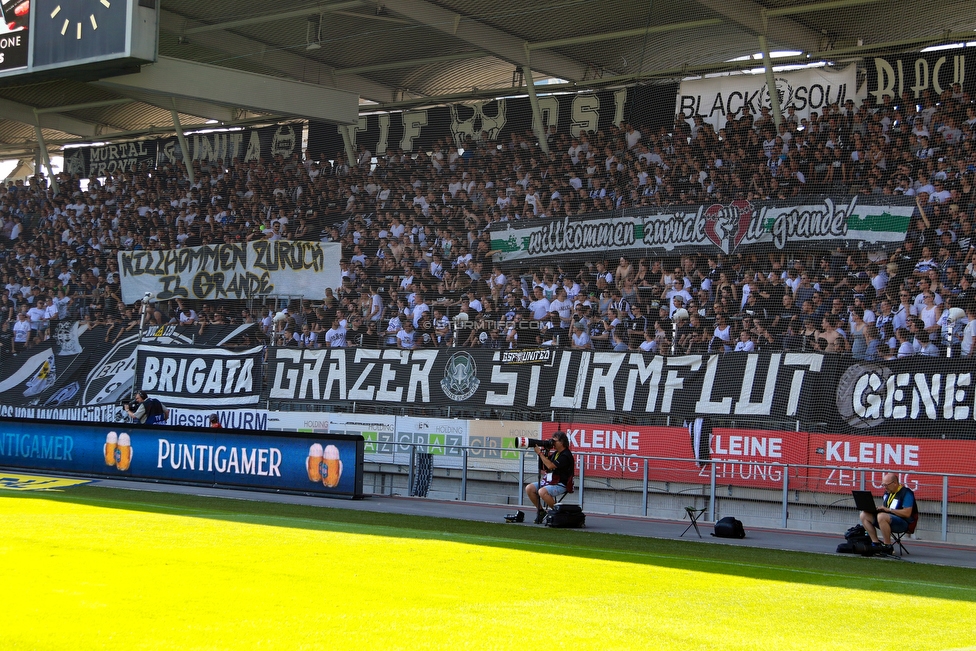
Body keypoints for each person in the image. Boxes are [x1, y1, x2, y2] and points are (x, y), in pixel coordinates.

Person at [858, 472, 917, 554]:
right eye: (883, 485)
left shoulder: (906, 493)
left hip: (904, 523)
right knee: (864, 515)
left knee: (882, 516)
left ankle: (887, 546)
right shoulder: (887, 493)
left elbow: (907, 513)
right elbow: (885, 508)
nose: (885, 487)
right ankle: (876, 544)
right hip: (887, 519)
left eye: (886, 485)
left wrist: (889, 510)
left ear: (895, 483)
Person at [524, 431, 574, 524]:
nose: (553, 443)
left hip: (561, 484)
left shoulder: (566, 455)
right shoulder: (556, 453)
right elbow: (545, 467)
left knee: (542, 491)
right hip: (550, 482)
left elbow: (550, 466)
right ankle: (541, 511)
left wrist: (540, 454)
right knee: (529, 488)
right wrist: (546, 452)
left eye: (554, 441)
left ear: (561, 442)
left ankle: (558, 513)